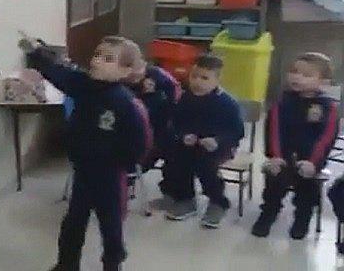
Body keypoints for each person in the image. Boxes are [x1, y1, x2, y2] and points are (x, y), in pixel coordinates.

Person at [20, 35, 152, 271]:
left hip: (110, 176)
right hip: (83, 172)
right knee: (73, 223)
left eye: (108, 58)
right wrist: (37, 53)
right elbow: (58, 73)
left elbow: (139, 143)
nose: (98, 60)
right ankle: (66, 265)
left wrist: (119, 162)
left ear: (125, 71)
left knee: (111, 226)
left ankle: (112, 265)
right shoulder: (82, 84)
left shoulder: (126, 104)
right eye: (97, 55)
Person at [252, 52, 339, 239]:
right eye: (294, 72)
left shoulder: (327, 107)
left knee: (307, 191)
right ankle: (268, 214)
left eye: (306, 75)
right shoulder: (283, 102)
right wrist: (275, 156)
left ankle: (302, 219)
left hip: (311, 159)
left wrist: (314, 163)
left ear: (323, 82)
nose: (297, 77)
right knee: (274, 185)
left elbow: (326, 137)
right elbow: (274, 130)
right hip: (282, 156)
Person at [166, 55, 244, 228]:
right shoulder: (185, 99)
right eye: (194, 76)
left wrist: (217, 141)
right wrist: (183, 135)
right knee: (177, 159)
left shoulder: (227, 103)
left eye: (204, 78)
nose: (197, 82)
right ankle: (185, 199)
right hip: (190, 143)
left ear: (217, 80)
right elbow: (175, 124)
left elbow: (237, 132)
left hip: (220, 146)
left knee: (205, 163)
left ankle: (218, 202)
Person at [126, 59, 182, 210]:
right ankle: (124, 183)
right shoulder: (118, 81)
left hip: (162, 128)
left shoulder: (161, 79)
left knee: (174, 150)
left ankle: (171, 193)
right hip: (132, 132)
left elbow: (176, 105)